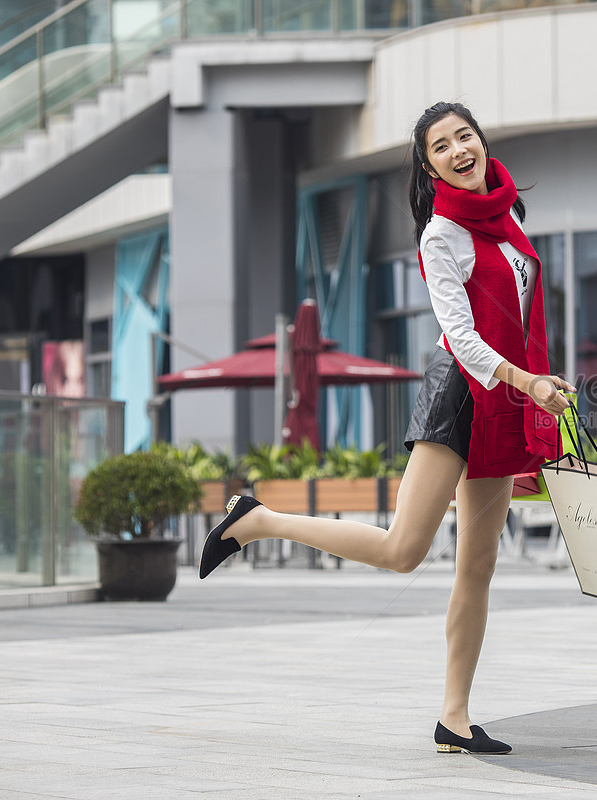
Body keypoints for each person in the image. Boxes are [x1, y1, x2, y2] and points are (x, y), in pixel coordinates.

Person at [198, 101, 575, 756]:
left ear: (481, 142)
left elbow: (520, 313)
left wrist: (536, 387)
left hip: (509, 395)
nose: (459, 149)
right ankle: (256, 520)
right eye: (441, 146)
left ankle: (454, 718)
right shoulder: (441, 236)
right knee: (404, 550)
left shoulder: (507, 214)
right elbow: (461, 339)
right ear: (428, 168)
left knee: (478, 566)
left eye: (465, 136)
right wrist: (530, 384)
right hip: (459, 393)